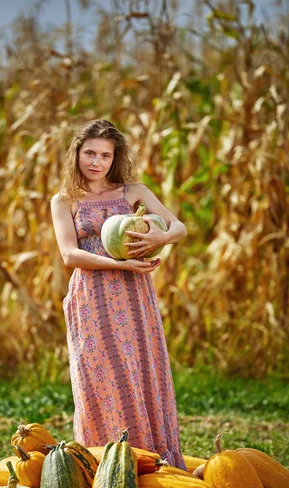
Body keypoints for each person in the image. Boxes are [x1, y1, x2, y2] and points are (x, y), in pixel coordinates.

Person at [51, 119, 188, 468]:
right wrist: (121, 265)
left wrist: (160, 238)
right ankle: (103, 467)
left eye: (105, 155)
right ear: (77, 154)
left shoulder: (134, 193)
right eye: (90, 153)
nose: (96, 162)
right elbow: (70, 255)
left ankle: (151, 464)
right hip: (92, 296)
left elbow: (179, 227)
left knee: (140, 372)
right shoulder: (65, 200)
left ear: (115, 158)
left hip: (133, 296)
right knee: (97, 376)